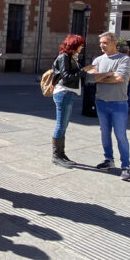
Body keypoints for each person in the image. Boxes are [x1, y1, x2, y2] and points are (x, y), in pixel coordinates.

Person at [86, 32, 130, 181]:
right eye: (101, 42)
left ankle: (125, 166)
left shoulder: (124, 59)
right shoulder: (98, 59)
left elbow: (119, 78)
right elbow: (90, 78)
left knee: (120, 135)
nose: (102, 45)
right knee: (104, 133)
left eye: (105, 42)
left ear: (114, 43)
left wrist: (101, 77)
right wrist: (109, 74)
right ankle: (108, 159)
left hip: (118, 102)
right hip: (101, 102)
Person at [51, 34, 92, 167]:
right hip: (63, 93)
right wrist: (83, 70)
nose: (82, 47)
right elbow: (67, 77)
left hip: (68, 93)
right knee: (61, 125)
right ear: (75, 45)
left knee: (64, 125)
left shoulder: (72, 57)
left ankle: (61, 154)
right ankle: (56, 156)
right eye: (80, 44)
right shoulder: (64, 57)